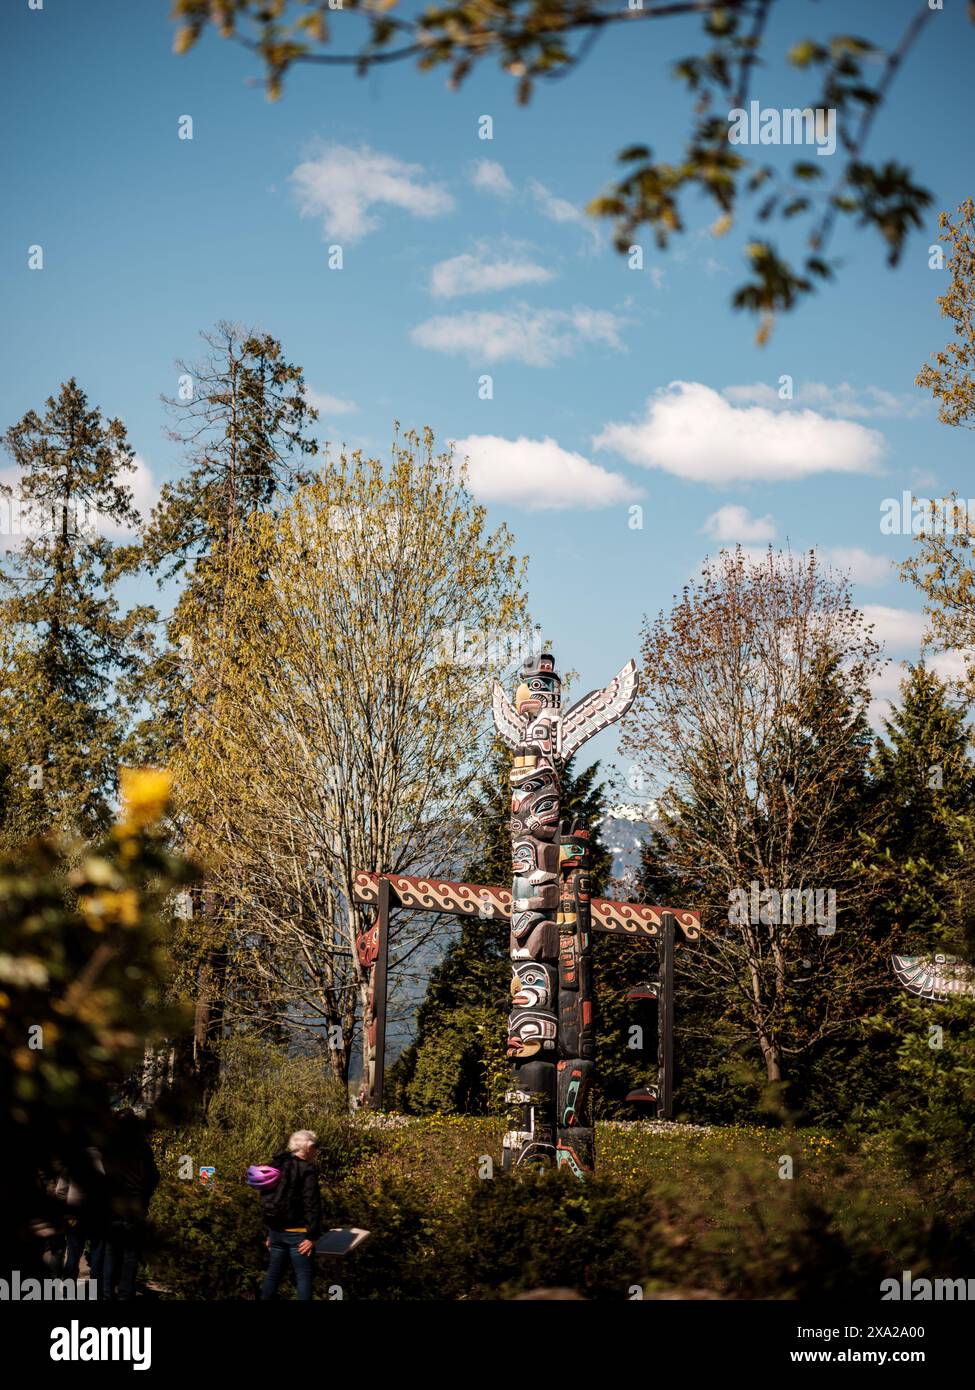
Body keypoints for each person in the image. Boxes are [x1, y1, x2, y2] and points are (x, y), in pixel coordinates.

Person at [93, 1111, 159, 1300]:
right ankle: (125, 1293)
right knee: (130, 1254)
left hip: (113, 1205)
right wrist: (144, 1195)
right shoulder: (142, 1146)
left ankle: (107, 1293)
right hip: (135, 1205)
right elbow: (154, 1176)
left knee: (111, 1252)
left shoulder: (109, 1146)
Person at [259, 1131, 322, 1301]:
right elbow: (312, 1204)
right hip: (299, 1235)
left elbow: (267, 1200)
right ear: (309, 1147)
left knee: (273, 1275)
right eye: (315, 1147)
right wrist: (312, 1236)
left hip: (276, 1232)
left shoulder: (276, 1165)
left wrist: (268, 1232)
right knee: (303, 1277)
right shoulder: (307, 1170)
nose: (316, 1151)